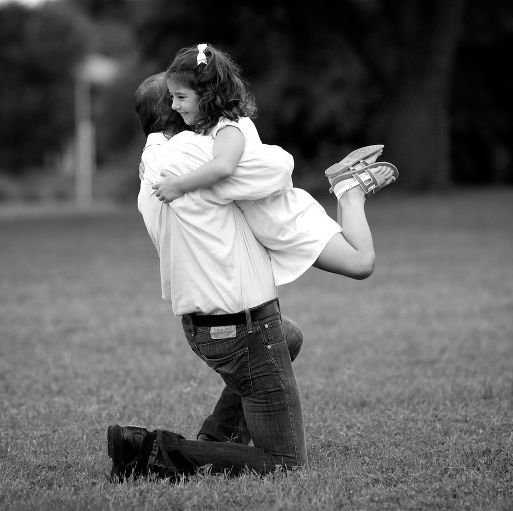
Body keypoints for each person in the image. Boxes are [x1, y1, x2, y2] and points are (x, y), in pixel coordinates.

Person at [106, 73, 309, 482]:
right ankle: (150, 450)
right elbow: (278, 166)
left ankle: (215, 437)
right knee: (286, 462)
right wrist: (233, 133)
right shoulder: (189, 157)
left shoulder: (153, 162)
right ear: (176, 112)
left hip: (209, 322)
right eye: (184, 98)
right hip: (242, 326)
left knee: (289, 337)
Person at [152, 43, 399, 286]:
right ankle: (346, 188)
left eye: (181, 97)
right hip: (277, 215)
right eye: (173, 97)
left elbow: (223, 167)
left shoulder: (228, 129)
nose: (174, 105)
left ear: (207, 95)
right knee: (354, 254)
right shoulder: (221, 125)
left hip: (282, 221)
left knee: (361, 263)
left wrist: (179, 186)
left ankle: (350, 193)